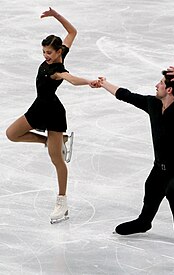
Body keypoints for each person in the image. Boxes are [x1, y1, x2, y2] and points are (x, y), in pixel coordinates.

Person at [97, 64, 174, 265]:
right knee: (150, 193)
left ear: (169, 90)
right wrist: (104, 83)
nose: (156, 85)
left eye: (160, 83)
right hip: (159, 170)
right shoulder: (152, 104)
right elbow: (126, 95)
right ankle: (143, 223)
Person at [6, 7, 98, 224]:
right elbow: (72, 32)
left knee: (56, 159)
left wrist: (89, 81)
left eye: (49, 52)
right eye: (44, 52)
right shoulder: (61, 51)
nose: (46, 56)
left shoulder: (55, 70)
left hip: (54, 114)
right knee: (11, 133)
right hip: (38, 108)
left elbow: (72, 79)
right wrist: (56, 16)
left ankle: (62, 202)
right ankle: (53, 141)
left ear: (58, 52)